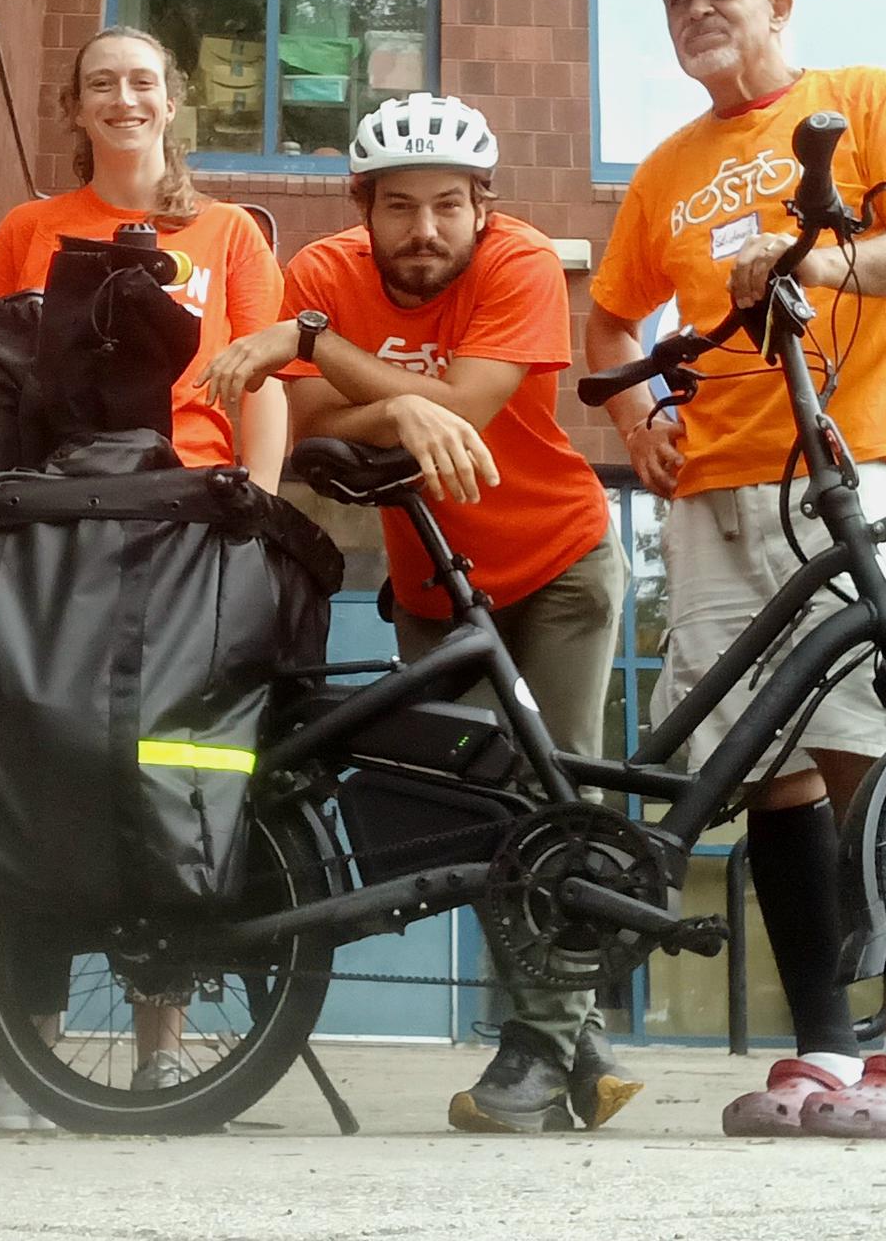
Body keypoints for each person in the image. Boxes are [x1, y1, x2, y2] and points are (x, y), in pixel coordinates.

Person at [583, 0, 886, 1142]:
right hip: (711, 497)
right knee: (771, 775)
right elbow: (605, 325)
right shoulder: (664, 170)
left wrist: (825, 260)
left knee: (881, 750)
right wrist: (641, 414)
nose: (697, 11)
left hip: (850, 475)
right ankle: (822, 1052)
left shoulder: (857, 102)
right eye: (678, 2)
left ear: (779, 8)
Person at [201, 91, 641, 1136]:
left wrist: (329, 354)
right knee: (480, 814)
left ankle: (535, 1049)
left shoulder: (521, 261)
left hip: (559, 561)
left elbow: (469, 410)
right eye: (399, 207)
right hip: (438, 587)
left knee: (557, 789)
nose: (426, 230)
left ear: (484, 206)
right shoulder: (322, 275)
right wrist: (393, 400)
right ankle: (576, 1040)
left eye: (450, 204)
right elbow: (308, 437)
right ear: (364, 207)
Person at [0, 23, 287, 1133]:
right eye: (103, 84)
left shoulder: (229, 230)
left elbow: (264, 377)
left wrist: (262, 503)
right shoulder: (29, 229)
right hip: (60, 522)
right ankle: (27, 1055)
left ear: (172, 100)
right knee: (49, 763)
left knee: (166, 771)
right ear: (77, 106)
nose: (124, 98)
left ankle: (161, 1054)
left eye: (143, 82)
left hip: (187, 515)